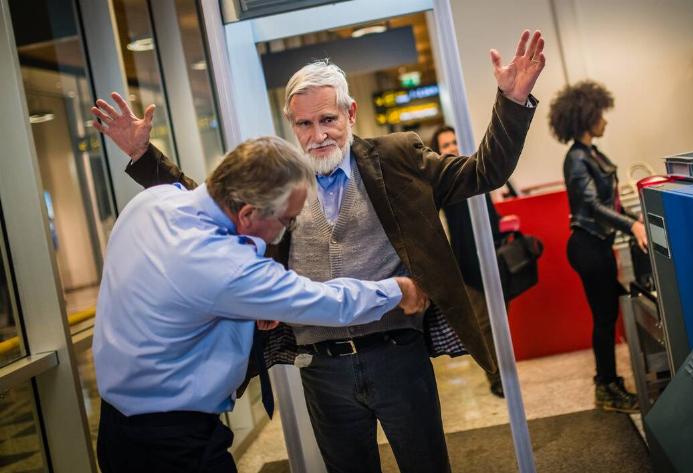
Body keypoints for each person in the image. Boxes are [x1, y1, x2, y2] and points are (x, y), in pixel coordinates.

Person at [92, 28, 545, 473]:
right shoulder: (280, 181)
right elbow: (215, 200)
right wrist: (142, 155)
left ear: (350, 113)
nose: (318, 135)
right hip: (322, 368)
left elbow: (484, 172)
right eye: (304, 124)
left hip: (396, 354)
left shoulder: (397, 158)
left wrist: (512, 103)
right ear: (292, 125)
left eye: (328, 120)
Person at [92, 136, 429, 473]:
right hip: (173, 444)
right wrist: (397, 290)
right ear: (249, 213)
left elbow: (176, 300)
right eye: (287, 222)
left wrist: (245, 311)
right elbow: (328, 301)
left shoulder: (150, 203)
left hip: (116, 430)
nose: (284, 234)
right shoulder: (227, 266)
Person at [548, 80, 647, 413]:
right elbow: (592, 206)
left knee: (611, 311)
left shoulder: (590, 154)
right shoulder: (576, 159)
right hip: (588, 246)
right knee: (604, 318)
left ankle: (608, 382)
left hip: (597, 244)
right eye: (600, 114)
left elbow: (612, 203)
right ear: (586, 117)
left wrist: (638, 218)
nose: (605, 120)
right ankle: (606, 388)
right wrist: (632, 226)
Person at [430, 125, 505, 398]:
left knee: (500, 320)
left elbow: (491, 213)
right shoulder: (441, 184)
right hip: (465, 266)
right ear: (437, 151)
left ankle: (506, 370)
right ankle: (495, 377)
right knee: (483, 324)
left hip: (491, 259)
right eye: (445, 144)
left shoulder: (476, 172)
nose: (451, 148)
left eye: (453, 142)